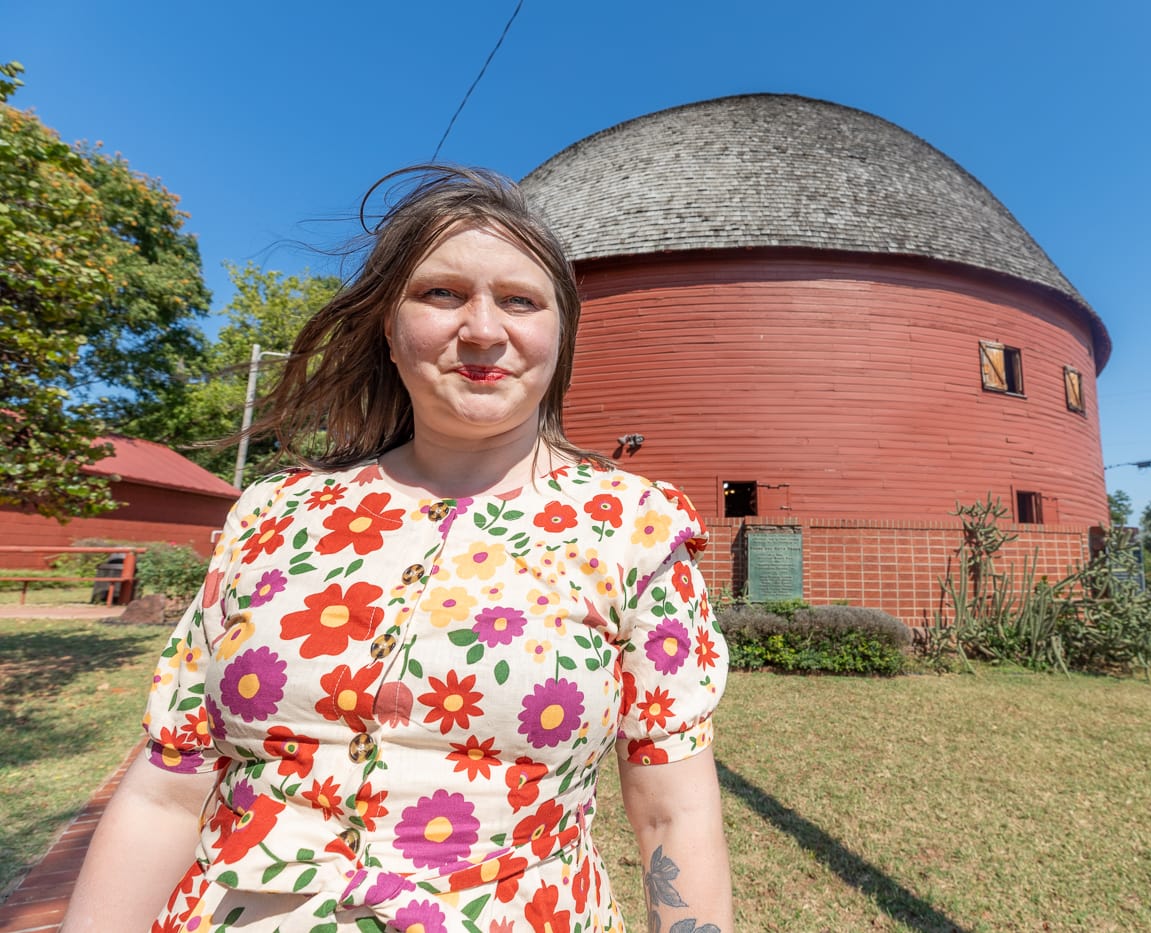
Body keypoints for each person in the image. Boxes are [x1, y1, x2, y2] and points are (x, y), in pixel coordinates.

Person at [62, 166, 732, 933]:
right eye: (442, 293)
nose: (483, 329)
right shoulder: (272, 514)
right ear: (388, 325)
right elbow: (167, 788)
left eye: (520, 300)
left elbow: (671, 816)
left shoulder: (634, 528)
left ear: (560, 333)